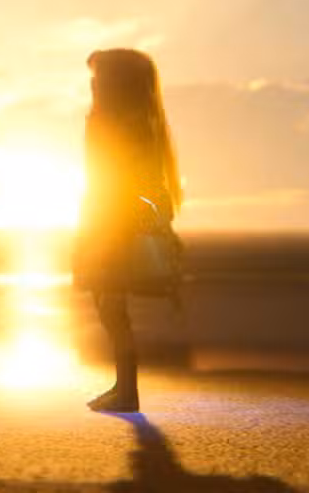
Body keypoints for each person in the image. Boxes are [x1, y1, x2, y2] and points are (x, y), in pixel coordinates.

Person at [74, 48, 191, 413]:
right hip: (108, 219)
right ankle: (123, 387)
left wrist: (113, 228)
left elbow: (124, 181)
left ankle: (127, 391)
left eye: (100, 77)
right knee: (110, 306)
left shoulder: (125, 124)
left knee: (112, 305)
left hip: (116, 222)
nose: (93, 84)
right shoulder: (123, 120)